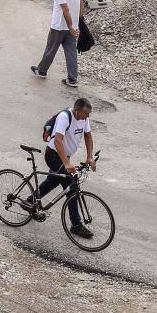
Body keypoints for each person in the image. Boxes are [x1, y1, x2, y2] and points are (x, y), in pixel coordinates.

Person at [26, 97, 97, 239]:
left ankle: (30, 201)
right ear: (77, 111)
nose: (87, 117)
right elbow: (58, 141)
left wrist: (90, 157)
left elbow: (88, 136)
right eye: (85, 114)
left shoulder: (84, 118)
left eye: (88, 114)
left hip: (65, 156)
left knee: (53, 181)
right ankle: (76, 224)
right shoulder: (65, 117)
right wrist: (66, 164)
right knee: (71, 185)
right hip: (53, 155)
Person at [31, 0, 84, 87]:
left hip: (59, 27)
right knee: (71, 53)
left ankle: (42, 71)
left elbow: (65, 9)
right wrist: (76, 24)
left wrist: (70, 25)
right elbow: (81, 6)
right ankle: (72, 79)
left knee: (51, 49)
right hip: (72, 28)